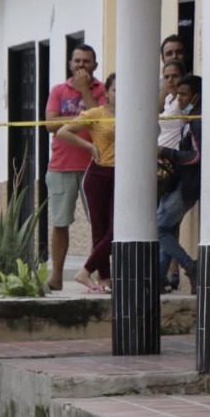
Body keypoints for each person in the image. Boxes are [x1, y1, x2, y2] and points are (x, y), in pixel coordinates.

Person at [44, 43, 107, 292]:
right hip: (61, 165)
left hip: (97, 164)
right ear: (70, 64)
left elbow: (99, 118)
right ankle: (56, 274)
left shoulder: (103, 91)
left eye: (86, 61)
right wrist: (80, 121)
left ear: (95, 65)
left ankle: (102, 275)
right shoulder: (58, 90)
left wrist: (84, 91)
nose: (81, 65)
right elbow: (50, 124)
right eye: (77, 61)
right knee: (60, 223)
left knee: (100, 224)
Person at [59, 73, 118, 292]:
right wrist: (89, 146)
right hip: (98, 174)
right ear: (106, 93)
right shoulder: (96, 113)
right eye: (114, 90)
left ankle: (85, 271)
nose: (119, 95)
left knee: (116, 229)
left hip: (122, 175)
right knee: (100, 231)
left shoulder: (133, 114)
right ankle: (104, 279)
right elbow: (63, 132)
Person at [157, 75, 202, 293]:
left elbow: (196, 156)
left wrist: (166, 152)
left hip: (188, 185)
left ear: (196, 96)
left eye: (184, 95)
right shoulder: (187, 122)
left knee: (159, 228)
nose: (180, 100)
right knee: (169, 230)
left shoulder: (197, 123)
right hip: (179, 183)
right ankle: (158, 277)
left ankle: (191, 265)